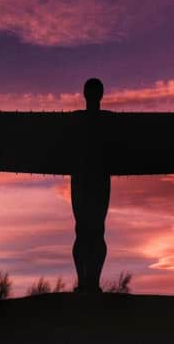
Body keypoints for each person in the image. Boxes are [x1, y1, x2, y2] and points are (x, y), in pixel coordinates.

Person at [71, 78, 111, 294]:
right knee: (84, 230)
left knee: (95, 230)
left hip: (97, 178)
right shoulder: (76, 120)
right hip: (83, 178)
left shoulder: (107, 121)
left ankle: (92, 281)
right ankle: (85, 281)